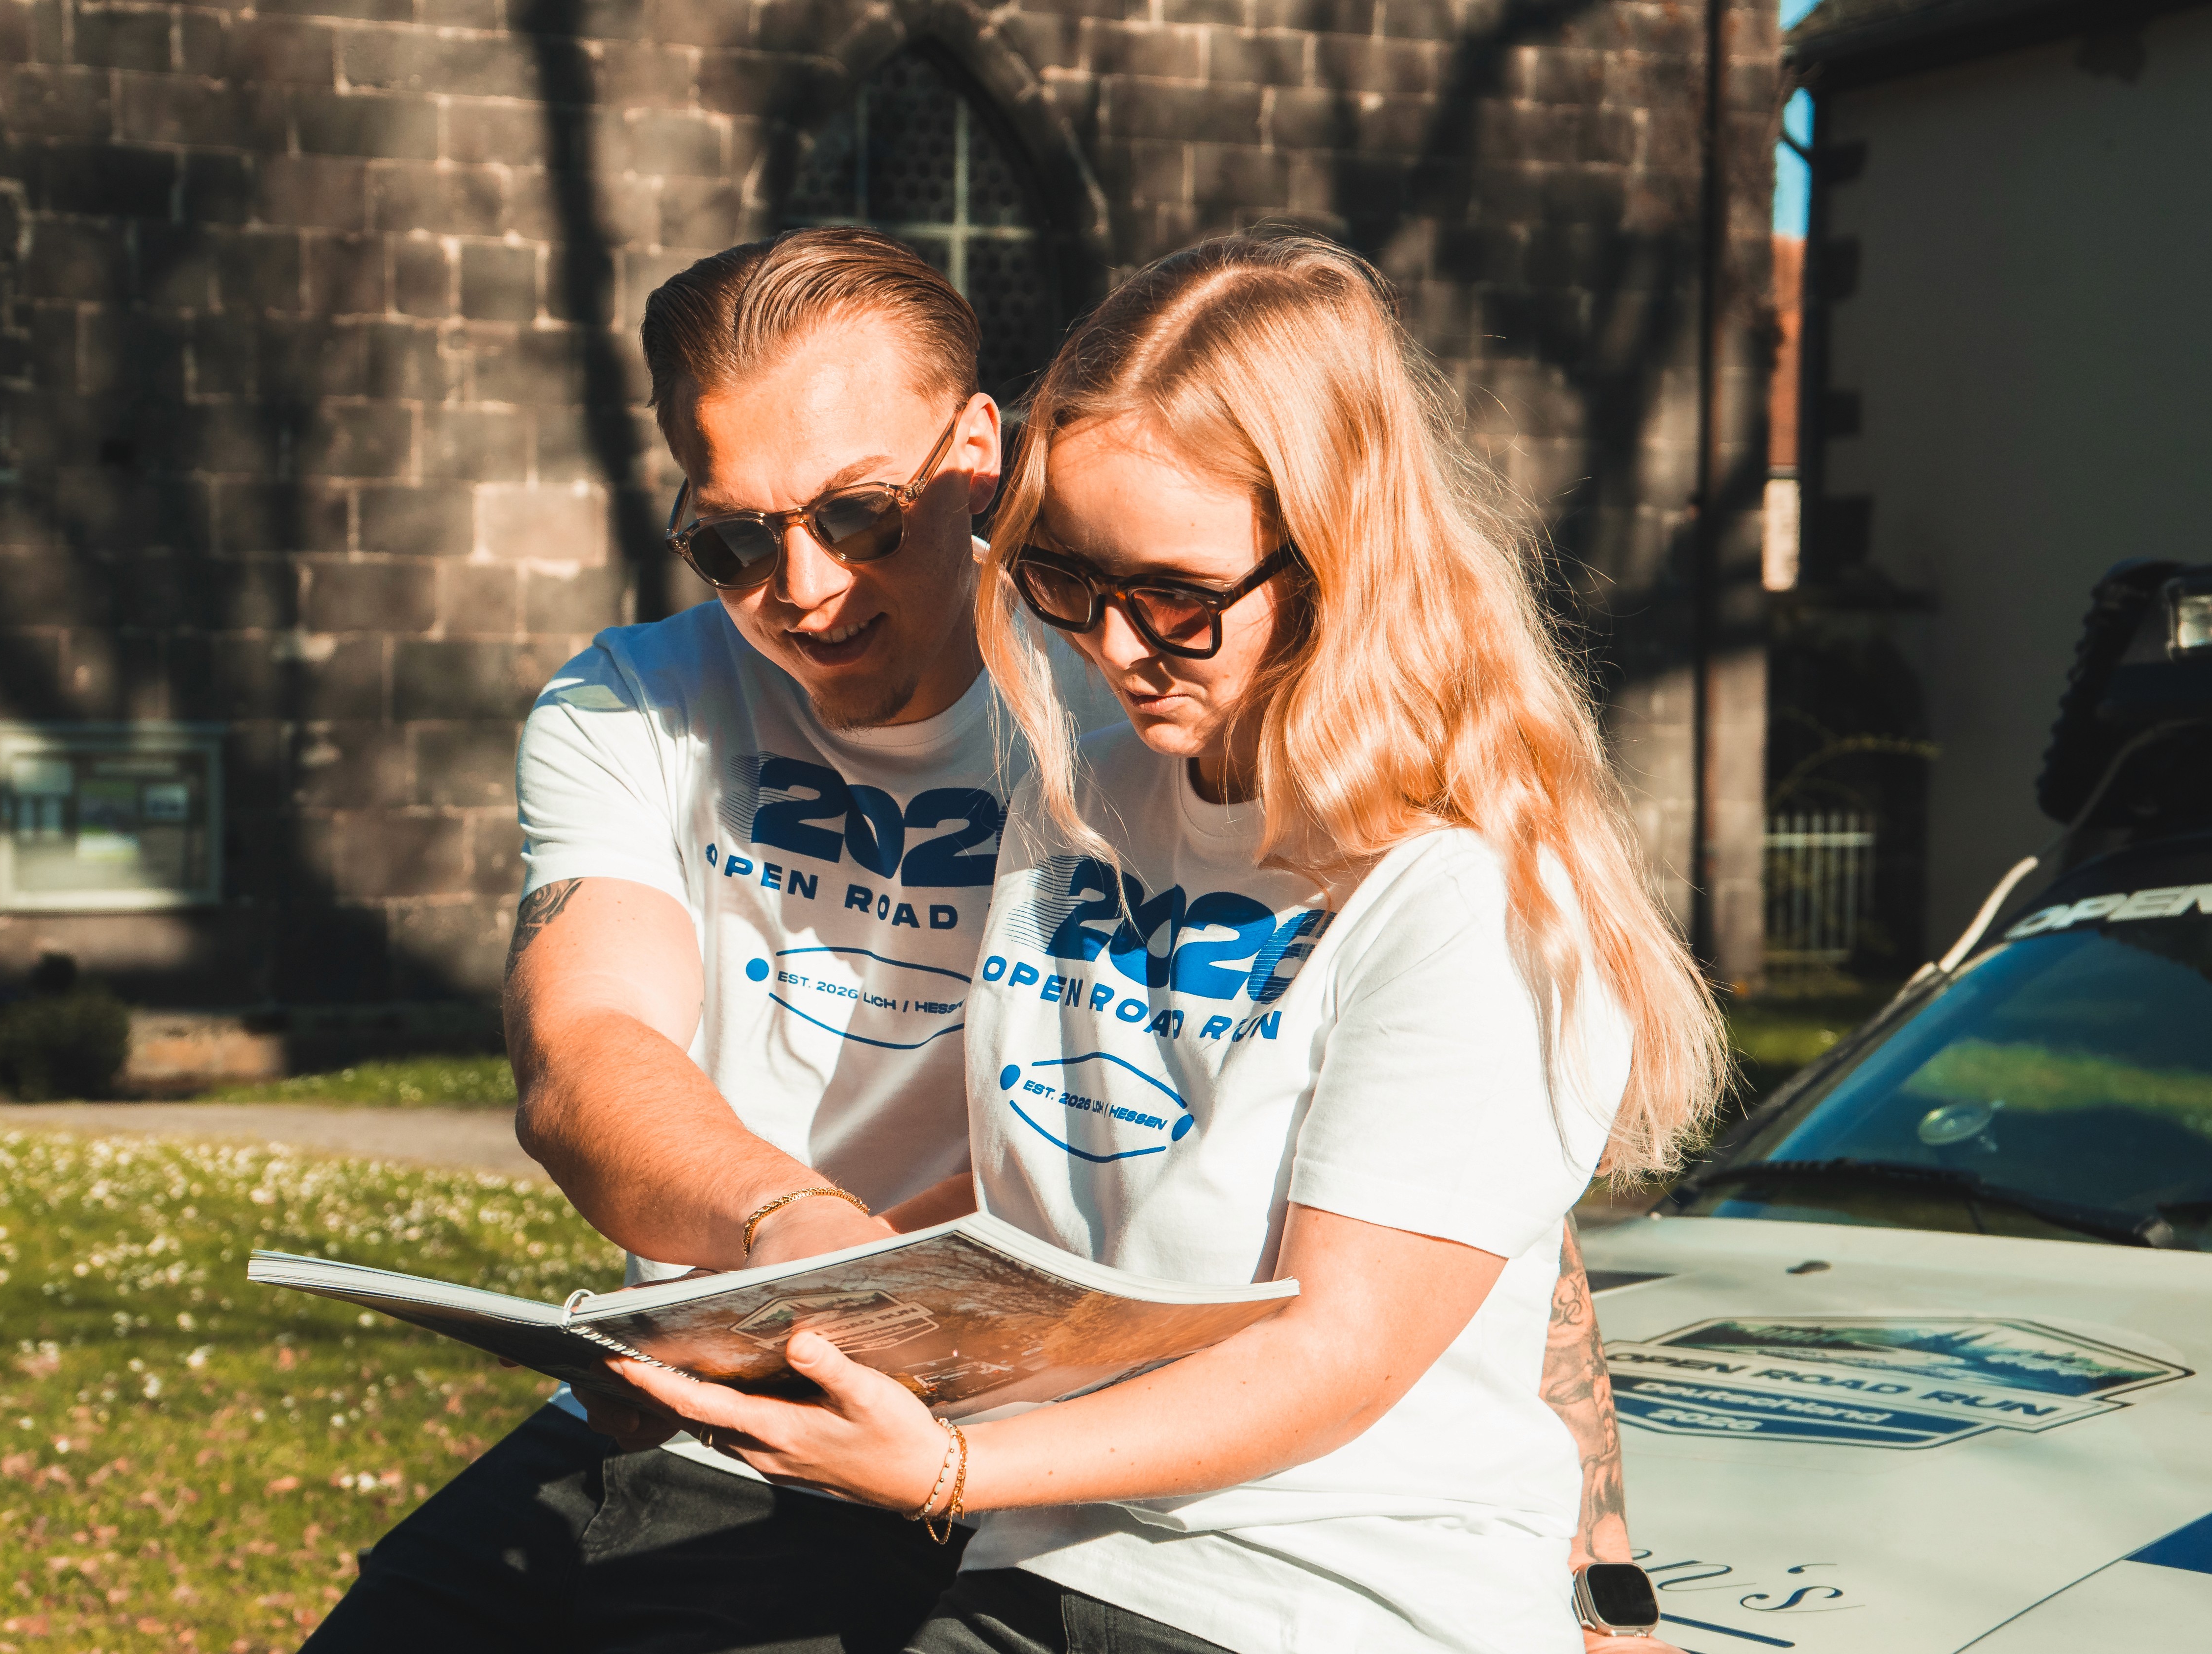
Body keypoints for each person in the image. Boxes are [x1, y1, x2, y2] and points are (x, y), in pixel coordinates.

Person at [301, 228, 1670, 1654]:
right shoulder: (1048, 774)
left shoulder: (1105, 727)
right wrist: (780, 1278)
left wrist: (1602, 1577)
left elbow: (1449, 1185)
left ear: (975, 455)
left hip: (1013, 1466)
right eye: (733, 540)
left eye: (858, 518)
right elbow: (594, 1056)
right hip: (792, 1382)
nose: (805, 586)